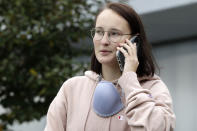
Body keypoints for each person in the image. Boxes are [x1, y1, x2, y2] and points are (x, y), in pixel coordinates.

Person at [44, 2, 176, 131]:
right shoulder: (72, 89)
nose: (104, 41)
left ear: (134, 41)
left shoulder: (154, 89)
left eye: (114, 33)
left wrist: (130, 80)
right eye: (99, 32)